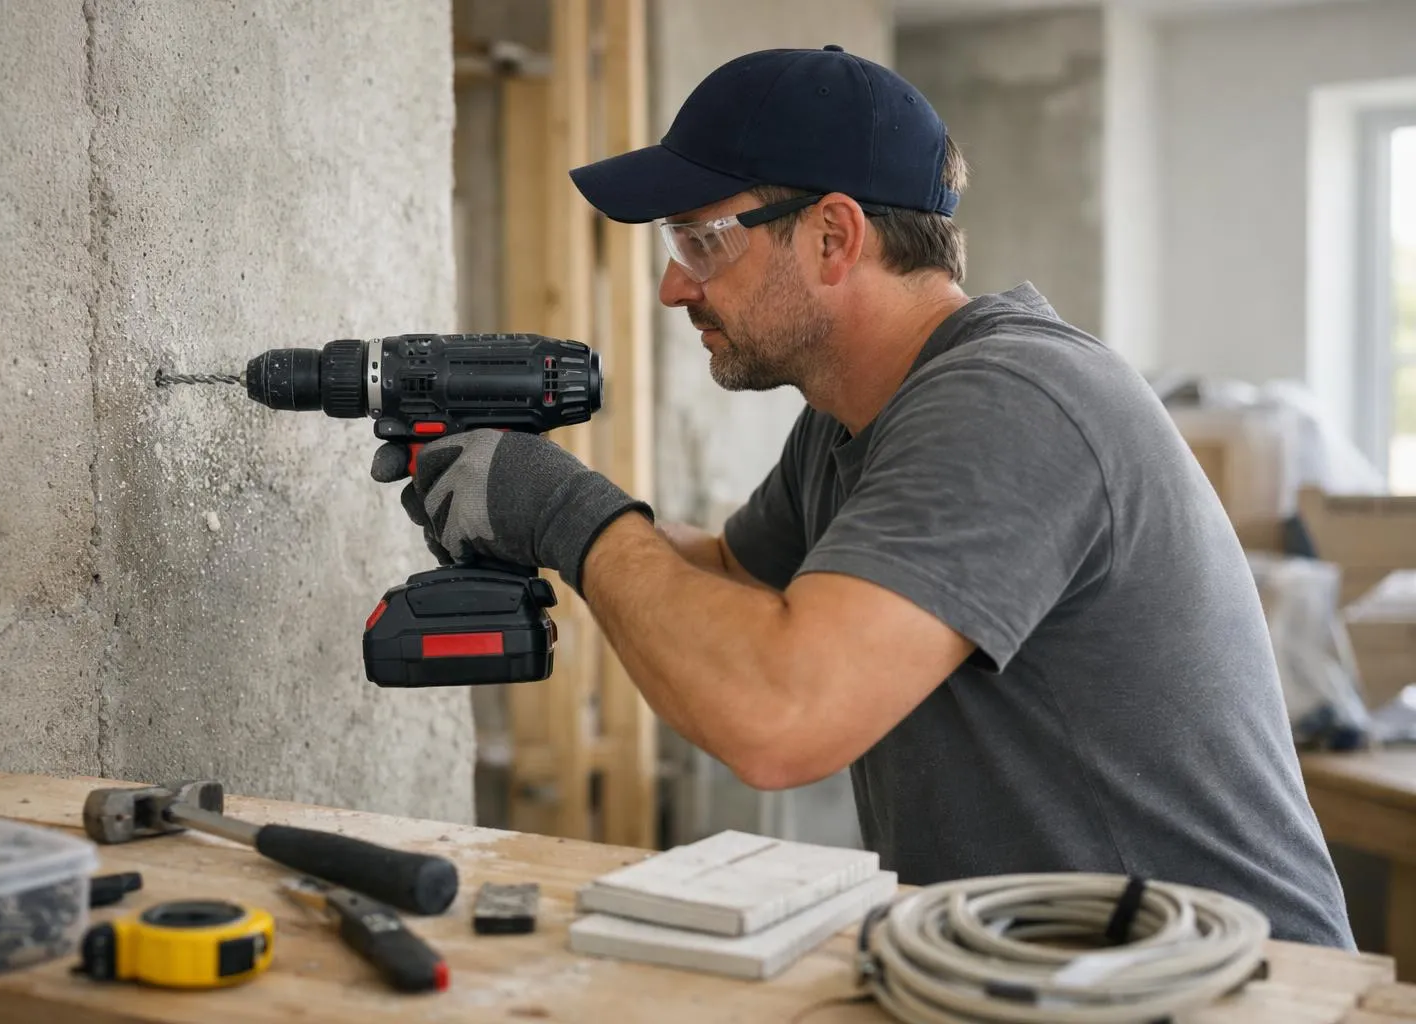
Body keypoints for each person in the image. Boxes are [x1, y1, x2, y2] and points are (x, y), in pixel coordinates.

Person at [383, 45, 1354, 948]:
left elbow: (780, 713)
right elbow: (723, 577)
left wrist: (568, 511)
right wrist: (508, 493)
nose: (676, 288)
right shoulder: (852, 422)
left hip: (1222, 990)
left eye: (701, 240)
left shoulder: (1012, 403)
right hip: (1042, 976)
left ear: (834, 235)